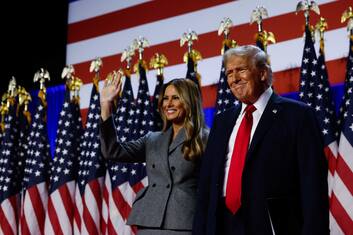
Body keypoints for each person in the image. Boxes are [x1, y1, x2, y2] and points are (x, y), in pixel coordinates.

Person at [193, 45, 329, 235]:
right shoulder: (222, 121)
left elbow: (313, 184)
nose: (234, 78)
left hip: (272, 224)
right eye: (229, 73)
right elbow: (207, 185)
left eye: (241, 70)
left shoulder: (298, 115)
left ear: (263, 73)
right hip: (224, 224)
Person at [100, 76, 209, 235]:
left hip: (184, 221)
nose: (168, 104)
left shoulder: (206, 138)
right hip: (150, 221)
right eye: (165, 98)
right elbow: (112, 151)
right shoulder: (152, 139)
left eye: (175, 98)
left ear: (189, 101)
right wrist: (106, 106)